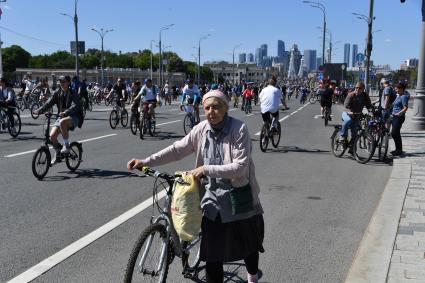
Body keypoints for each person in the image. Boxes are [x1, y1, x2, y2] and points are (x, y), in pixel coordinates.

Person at [127, 89, 264, 283]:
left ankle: (252, 275)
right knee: (212, 255)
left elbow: (240, 168)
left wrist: (206, 169)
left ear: (225, 108)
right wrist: (146, 161)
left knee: (248, 243)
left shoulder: (238, 129)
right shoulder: (200, 129)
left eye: (216, 107)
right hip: (211, 198)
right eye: (207, 107)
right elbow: (177, 149)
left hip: (238, 194)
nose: (211, 111)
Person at [35, 75, 82, 163]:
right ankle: (58, 154)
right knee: (52, 137)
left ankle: (66, 146)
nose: (61, 83)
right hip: (61, 117)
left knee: (63, 122)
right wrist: (39, 110)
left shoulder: (73, 92)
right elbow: (49, 102)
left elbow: (76, 105)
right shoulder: (58, 92)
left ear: (68, 83)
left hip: (74, 117)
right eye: (60, 82)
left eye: (63, 82)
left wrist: (66, 112)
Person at [339, 81, 373, 151]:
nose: (357, 89)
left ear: (363, 89)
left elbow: (369, 106)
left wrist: (371, 112)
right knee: (348, 120)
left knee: (355, 133)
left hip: (357, 115)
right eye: (356, 87)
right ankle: (342, 137)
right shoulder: (351, 95)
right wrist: (349, 112)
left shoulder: (365, 96)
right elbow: (345, 106)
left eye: (359, 88)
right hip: (347, 113)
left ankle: (352, 149)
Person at [390, 81, 409, 156]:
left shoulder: (403, 96)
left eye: (397, 88)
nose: (395, 89)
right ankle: (398, 149)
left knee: (394, 133)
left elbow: (405, 108)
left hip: (399, 117)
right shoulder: (398, 96)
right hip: (394, 116)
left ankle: (399, 150)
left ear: (401, 89)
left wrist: (399, 113)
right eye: (395, 88)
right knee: (395, 133)